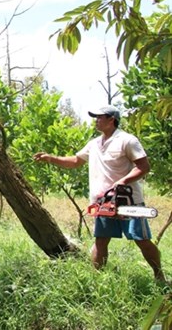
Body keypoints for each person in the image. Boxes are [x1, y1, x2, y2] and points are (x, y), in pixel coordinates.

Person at [33, 105, 165, 282]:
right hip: (103, 202)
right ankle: (97, 281)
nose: (96, 120)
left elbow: (143, 167)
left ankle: (159, 276)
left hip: (129, 201)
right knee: (101, 241)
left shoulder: (127, 140)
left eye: (99, 117)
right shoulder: (94, 144)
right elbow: (75, 161)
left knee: (141, 239)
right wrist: (51, 158)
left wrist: (123, 181)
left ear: (112, 120)